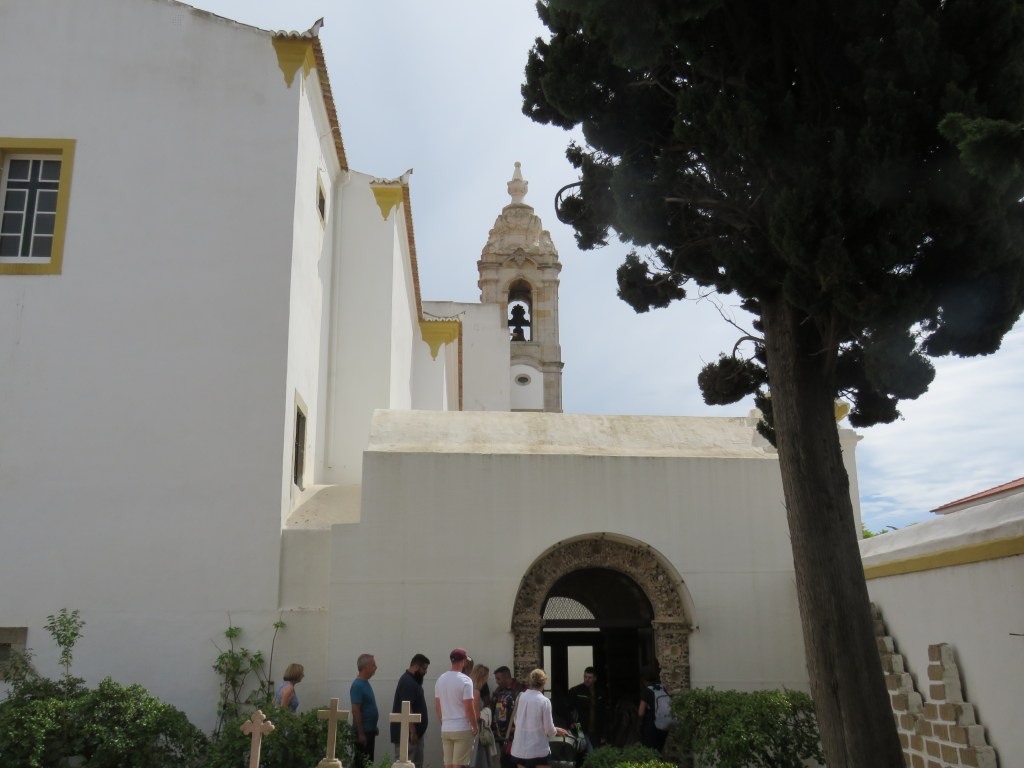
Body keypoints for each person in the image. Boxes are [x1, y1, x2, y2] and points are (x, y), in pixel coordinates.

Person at [509, 669, 569, 768]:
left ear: (530, 681)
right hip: (538, 749)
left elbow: (516, 721)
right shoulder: (544, 701)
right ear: (544, 683)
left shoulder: (520, 697)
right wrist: (556, 731)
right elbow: (549, 729)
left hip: (519, 748)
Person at [435, 648, 478, 768]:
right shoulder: (466, 680)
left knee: (448, 765)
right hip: (462, 728)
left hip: (446, 728)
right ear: (463, 662)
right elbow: (469, 708)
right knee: (459, 765)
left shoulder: (440, 679)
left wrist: (444, 722)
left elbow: (438, 706)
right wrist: (475, 726)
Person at [391, 653, 431, 768]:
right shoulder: (408, 682)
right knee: (409, 764)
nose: (425, 672)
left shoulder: (412, 681)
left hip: (413, 736)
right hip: (408, 737)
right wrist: (413, 732)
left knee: (415, 764)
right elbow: (407, 709)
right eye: (424, 669)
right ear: (416, 667)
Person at [491, 666, 525, 768]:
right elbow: (493, 709)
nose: (497, 682)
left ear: (507, 677)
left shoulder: (520, 690)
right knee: (505, 762)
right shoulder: (498, 691)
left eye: (498, 679)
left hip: (517, 735)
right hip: (502, 736)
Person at [565, 666, 605, 750]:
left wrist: (604, 733)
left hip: (596, 728)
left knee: (595, 749)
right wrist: (571, 722)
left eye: (590, 678)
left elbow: (603, 712)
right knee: (589, 749)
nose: (587, 679)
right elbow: (567, 708)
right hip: (579, 726)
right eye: (585, 677)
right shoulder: (576, 691)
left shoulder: (600, 692)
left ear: (595, 678)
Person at [351, 653, 380, 768]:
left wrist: (373, 726)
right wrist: (361, 733)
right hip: (364, 733)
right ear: (365, 667)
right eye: (373, 665)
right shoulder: (357, 685)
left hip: (369, 730)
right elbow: (356, 710)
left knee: (368, 762)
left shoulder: (365, 683)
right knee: (362, 763)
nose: (376, 667)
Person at [636, 666, 667, 752]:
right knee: (659, 750)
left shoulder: (647, 691)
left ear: (643, 679)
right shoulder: (662, 688)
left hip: (651, 726)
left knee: (650, 752)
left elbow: (641, 713)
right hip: (663, 726)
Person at [470, 664, 496, 768]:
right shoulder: (476, 692)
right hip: (477, 730)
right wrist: (486, 713)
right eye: (486, 677)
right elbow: (476, 716)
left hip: (467, 729)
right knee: (478, 759)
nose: (486, 680)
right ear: (481, 677)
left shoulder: (466, 689)